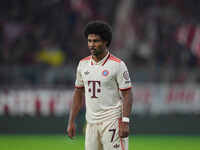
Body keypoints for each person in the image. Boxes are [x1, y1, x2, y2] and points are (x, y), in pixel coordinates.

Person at [67, 20, 133, 150]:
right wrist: (71, 121)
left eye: (96, 41)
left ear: (105, 42)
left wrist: (125, 121)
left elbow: (128, 94)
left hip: (112, 121)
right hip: (91, 123)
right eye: (89, 41)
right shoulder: (82, 64)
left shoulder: (117, 65)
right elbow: (78, 93)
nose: (92, 45)